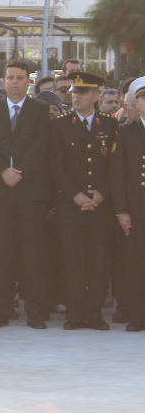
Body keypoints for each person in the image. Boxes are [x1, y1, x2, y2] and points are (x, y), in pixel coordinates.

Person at [0, 59, 52, 329]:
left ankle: (34, 312)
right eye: (10, 77)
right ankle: (1, 311)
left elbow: (42, 144)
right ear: (3, 80)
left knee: (33, 255)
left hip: (30, 192)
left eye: (20, 77)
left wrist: (18, 171)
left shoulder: (40, 110)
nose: (14, 82)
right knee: (1, 255)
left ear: (28, 81)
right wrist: (2, 171)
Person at [49, 72, 117, 331]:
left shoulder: (109, 125)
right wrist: (74, 195)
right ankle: (76, 314)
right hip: (71, 206)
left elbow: (115, 165)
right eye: (74, 92)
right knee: (73, 262)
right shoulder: (60, 124)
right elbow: (54, 165)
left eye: (82, 92)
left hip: (100, 206)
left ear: (96, 96)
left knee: (99, 263)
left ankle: (95, 314)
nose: (75, 96)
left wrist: (101, 192)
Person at [112, 77, 145, 332]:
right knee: (136, 265)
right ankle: (138, 316)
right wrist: (122, 210)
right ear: (135, 103)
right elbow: (118, 175)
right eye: (143, 97)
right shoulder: (125, 133)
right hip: (137, 212)